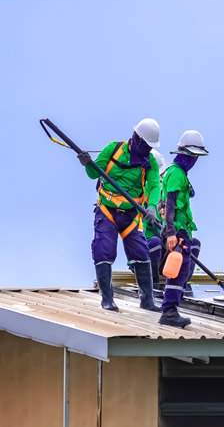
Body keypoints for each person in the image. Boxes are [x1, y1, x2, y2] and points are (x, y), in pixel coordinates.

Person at [80, 118, 163, 312]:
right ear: (136, 139)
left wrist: (151, 206)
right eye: (146, 146)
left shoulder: (149, 162)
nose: (148, 151)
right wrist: (87, 164)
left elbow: (154, 185)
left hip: (131, 214)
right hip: (107, 210)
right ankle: (107, 299)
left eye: (151, 148)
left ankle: (147, 299)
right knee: (104, 249)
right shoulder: (113, 149)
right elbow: (94, 173)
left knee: (141, 253)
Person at [159, 130, 208, 328]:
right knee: (178, 271)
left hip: (181, 230)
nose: (194, 160)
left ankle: (172, 309)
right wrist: (171, 232)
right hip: (177, 230)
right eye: (192, 156)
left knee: (182, 269)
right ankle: (169, 311)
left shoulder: (177, 174)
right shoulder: (177, 174)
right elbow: (170, 204)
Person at [145, 149, 168, 287]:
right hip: (146, 246)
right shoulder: (143, 188)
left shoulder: (165, 191)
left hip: (163, 247)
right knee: (154, 242)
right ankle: (153, 284)